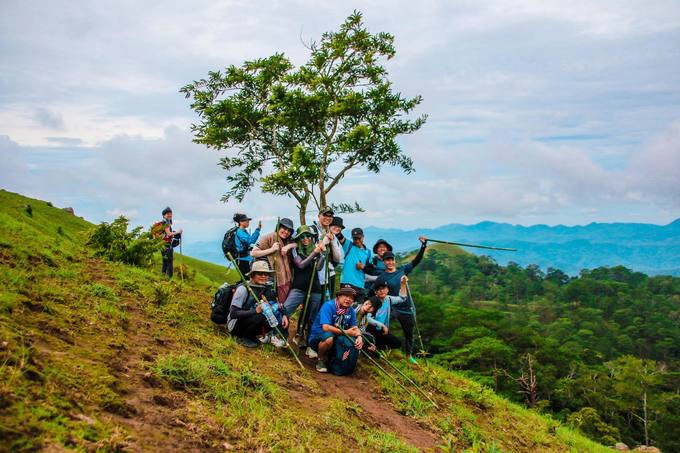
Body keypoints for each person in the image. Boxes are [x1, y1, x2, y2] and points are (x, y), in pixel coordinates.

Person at [372, 236, 427, 363]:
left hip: (406, 306)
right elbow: (375, 292)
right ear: (384, 261)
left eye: (391, 259)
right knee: (380, 326)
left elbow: (416, 261)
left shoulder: (403, 270)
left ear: (394, 260)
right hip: (392, 308)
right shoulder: (381, 277)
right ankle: (379, 348)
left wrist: (423, 246)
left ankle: (409, 355)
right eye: (387, 260)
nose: (389, 262)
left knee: (409, 333)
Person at [282, 225, 326, 355]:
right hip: (299, 288)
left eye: (308, 236)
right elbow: (300, 265)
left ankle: (310, 345)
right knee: (285, 309)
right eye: (302, 237)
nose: (305, 239)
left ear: (312, 237)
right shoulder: (296, 250)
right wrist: (315, 253)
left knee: (313, 317)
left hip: (315, 289)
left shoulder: (317, 249)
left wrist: (322, 255)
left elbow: (318, 268)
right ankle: (280, 336)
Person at [227, 260, 289, 348]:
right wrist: (254, 311)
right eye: (260, 273)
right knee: (260, 317)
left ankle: (250, 335)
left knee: (274, 316)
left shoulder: (266, 288)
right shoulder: (243, 289)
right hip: (236, 324)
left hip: (252, 320)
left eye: (266, 274)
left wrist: (284, 314)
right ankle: (240, 336)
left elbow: (277, 304)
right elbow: (233, 313)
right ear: (252, 275)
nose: (264, 276)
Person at [308, 286, 363, 373]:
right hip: (319, 336)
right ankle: (320, 359)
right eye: (346, 296)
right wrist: (346, 332)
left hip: (336, 338)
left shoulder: (350, 310)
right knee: (329, 338)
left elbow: (355, 327)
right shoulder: (329, 306)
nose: (348, 299)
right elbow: (325, 327)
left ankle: (335, 362)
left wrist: (359, 337)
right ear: (338, 296)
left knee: (350, 341)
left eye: (351, 298)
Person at [251, 218, 296, 304]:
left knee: (281, 305)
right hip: (269, 277)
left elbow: (297, 243)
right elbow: (253, 253)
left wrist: (288, 246)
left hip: (285, 279)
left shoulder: (288, 241)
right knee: (269, 303)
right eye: (284, 228)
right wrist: (271, 250)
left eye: (289, 230)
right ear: (278, 227)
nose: (286, 232)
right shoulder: (269, 237)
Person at [366, 277, 408, 351]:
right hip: (371, 329)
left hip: (382, 331)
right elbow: (367, 318)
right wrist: (381, 325)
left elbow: (402, 298)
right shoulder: (372, 301)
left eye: (383, 288)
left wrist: (403, 284)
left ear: (387, 290)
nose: (382, 291)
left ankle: (379, 348)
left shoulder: (388, 299)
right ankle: (373, 348)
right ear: (375, 292)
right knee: (375, 349)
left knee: (397, 343)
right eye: (379, 289)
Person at [311, 207, 344, 299]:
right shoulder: (312, 230)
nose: (327, 217)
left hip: (330, 274)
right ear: (319, 216)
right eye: (325, 215)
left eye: (330, 216)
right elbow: (313, 249)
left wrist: (332, 240)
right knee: (315, 302)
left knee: (327, 302)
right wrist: (325, 240)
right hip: (315, 273)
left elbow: (338, 258)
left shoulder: (333, 236)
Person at [338, 228, 371, 304]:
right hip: (347, 283)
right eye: (355, 238)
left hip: (360, 285)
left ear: (363, 237)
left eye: (359, 238)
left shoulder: (368, 252)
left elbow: (370, 270)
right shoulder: (348, 246)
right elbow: (339, 236)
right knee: (345, 308)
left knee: (359, 310)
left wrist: (362, 267)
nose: (357, 241)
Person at [233, 213, 261, 277]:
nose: (248, 222)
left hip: (244, 257)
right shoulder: (240, 232)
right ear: (241, 222)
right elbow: (250, 241)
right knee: (246, 277)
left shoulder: (244, 231)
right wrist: (258, 229)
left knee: (246, 277)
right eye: (246, 221)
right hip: (241, 258)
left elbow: (249, 242)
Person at [160, 207, 183, 278]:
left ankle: (162, 276)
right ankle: (169, 278)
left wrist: (174, 234)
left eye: (170, 214)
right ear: (164, 215)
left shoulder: (165, 222)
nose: (170, 215)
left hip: (162, 245)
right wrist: (178, 232)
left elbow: (166, 234)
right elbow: (169, 233)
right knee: (169, 262)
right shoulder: (165, 222)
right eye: (168, 214)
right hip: (167, 245)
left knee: (165, 262)